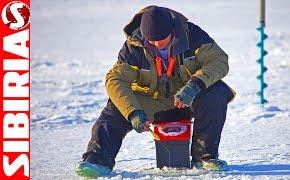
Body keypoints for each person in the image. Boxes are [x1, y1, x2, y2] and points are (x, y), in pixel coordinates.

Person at [76, 5, 235, 177]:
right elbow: (115, 80)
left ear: (173, 31)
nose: (158, 44)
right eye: (152, 41)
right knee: (115, 107)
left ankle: (204, 158)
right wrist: (133, 112)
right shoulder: (133, 46)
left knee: (217, 92)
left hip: (188, 98)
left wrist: (194, 85)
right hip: (153, 102)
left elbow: (219, 60)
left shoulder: (192, 35)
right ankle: (97, 160)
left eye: (162, 39)